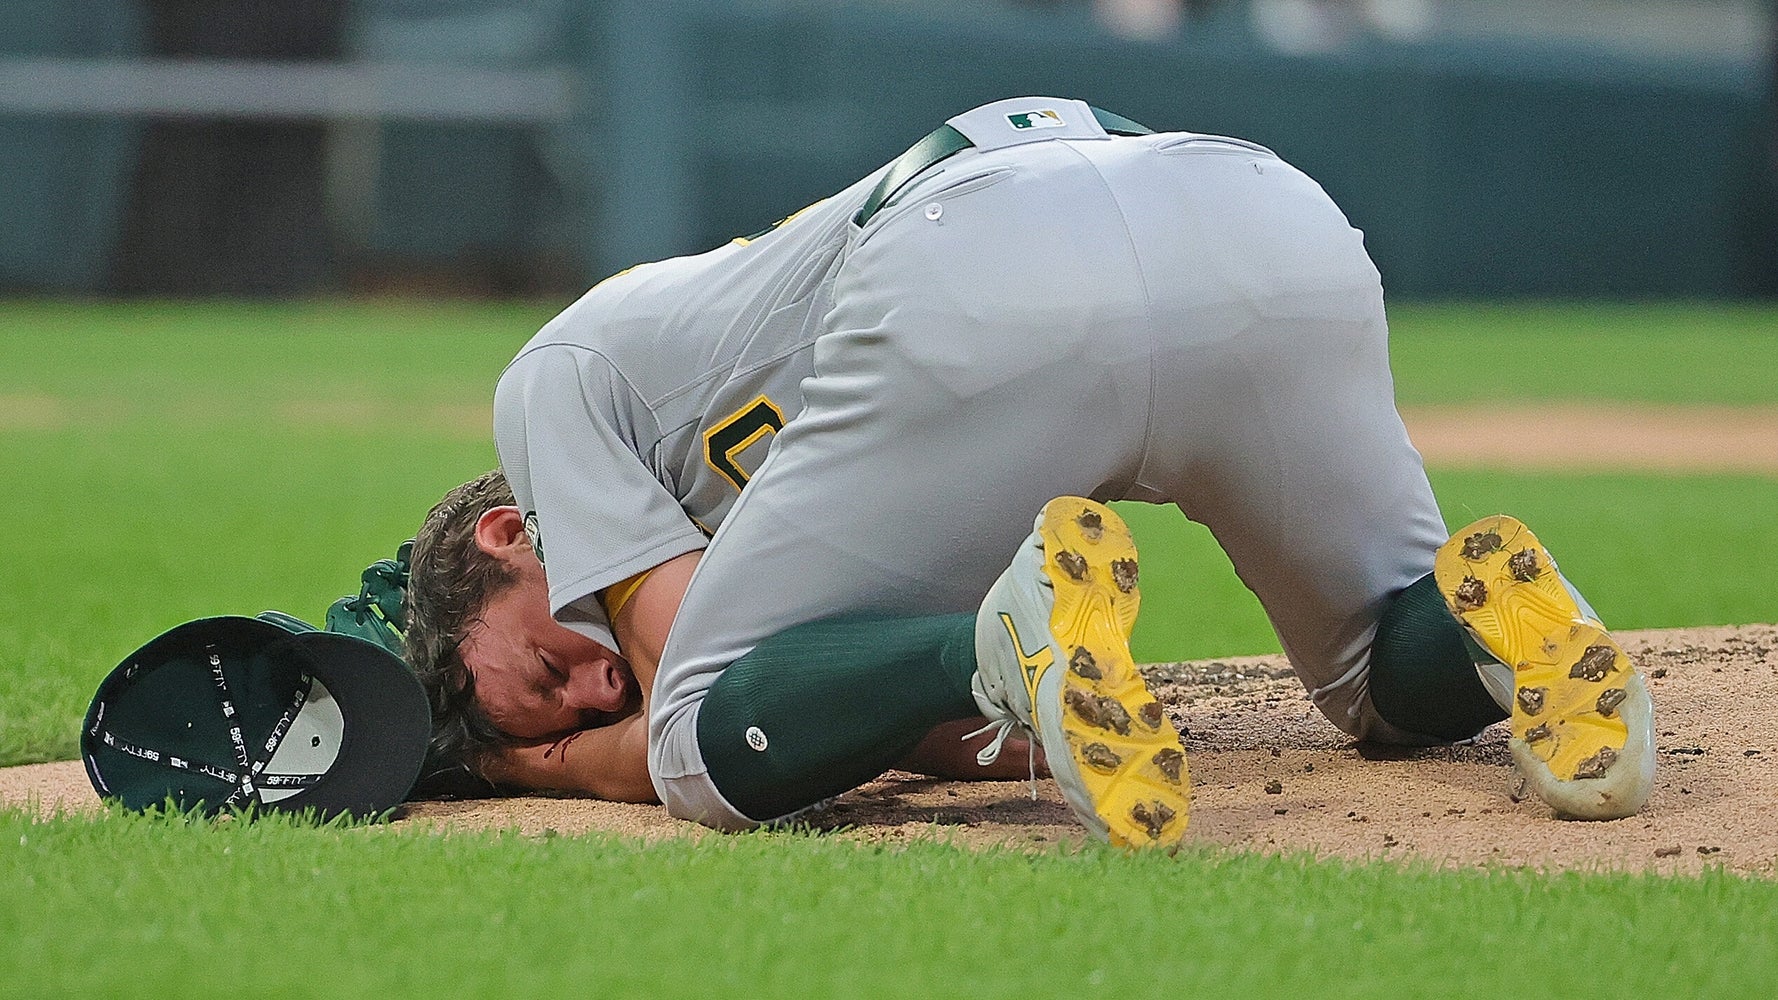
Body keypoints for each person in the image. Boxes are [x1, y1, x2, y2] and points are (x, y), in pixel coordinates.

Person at [404, 97, 1656, 845]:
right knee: (1375, 681)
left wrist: (534, 763)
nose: (594, 681)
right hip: (1253, 216)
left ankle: (998, 647)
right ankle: (1506, 622)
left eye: (543, 669)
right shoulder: (765, 475)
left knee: (689, 741)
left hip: (985, 270)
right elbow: (912, 726)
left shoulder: (550, 382)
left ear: (508, 536)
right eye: (573, 711)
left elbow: (695, 680)